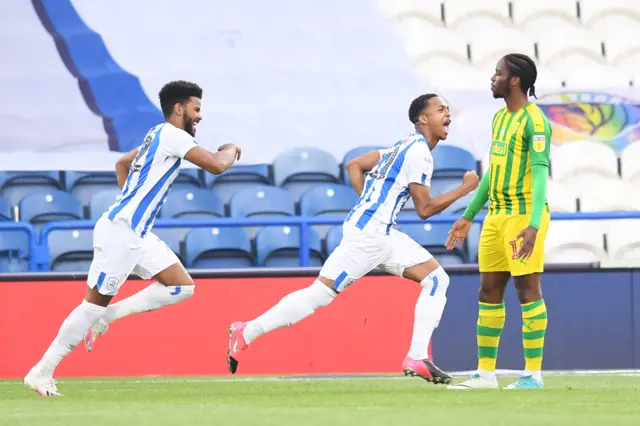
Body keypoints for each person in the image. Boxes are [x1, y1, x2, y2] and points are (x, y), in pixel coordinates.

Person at [226, 94, 479, 383]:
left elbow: (355, 164)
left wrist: (370, 206)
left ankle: (417, 356)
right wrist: (465, 188)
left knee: (436, 279)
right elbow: (425, 208)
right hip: (369, 237)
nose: (447, 114)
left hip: (380, 232)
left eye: (448, 109)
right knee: (318, 295)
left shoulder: (401, 145)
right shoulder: (419, 152)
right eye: (440, 109)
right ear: (423, 119)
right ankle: (246, 332)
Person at [24, 80, 242, 396]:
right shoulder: (171, 135)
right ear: (179, 109)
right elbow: (218, 165)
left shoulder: (155, 135)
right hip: (121, 233)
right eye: (196, 109)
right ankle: (40, 373)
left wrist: (130, 200)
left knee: (182, 287)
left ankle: (109, 316)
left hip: (134, 232)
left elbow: (121, 162)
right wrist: (232, 147)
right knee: (90, 307)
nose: (200, 116)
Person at [445, 54, 552, 390]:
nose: (493, 78)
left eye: (498, 73)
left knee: (527, 290)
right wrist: (467, 215)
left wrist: (533, 225)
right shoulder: (499, 119)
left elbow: (539, 174)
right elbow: (492, 173)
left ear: (515, 80)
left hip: (524, 215)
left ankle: (533, 374)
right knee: (488, 291)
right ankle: (485, 374)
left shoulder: (535, 122)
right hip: (496, 216)